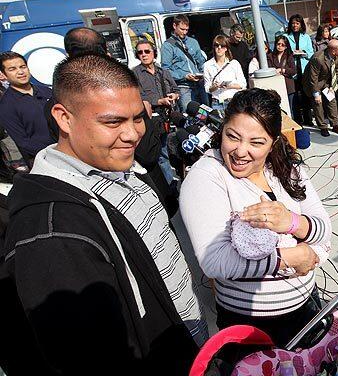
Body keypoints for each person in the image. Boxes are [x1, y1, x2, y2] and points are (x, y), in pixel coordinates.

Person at [1, 54, 208, 376]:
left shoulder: (126, 169)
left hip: (191, 349)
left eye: (138, 118)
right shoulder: (52, 231)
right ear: (64, 118)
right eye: (113, 122)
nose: (132, 135)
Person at [180, 88, 331, 346]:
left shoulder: (285, 168)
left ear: (273, 141)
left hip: (307, 307)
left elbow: (324, 228)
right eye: (233, 137)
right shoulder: (206, 176)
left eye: (256, 143)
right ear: (222, 130)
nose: (240, 151)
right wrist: (294, 256)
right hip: (252, 326)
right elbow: (216, 261)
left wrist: (292, 222)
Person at [132, 39, 180, 195]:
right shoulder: (135, 73)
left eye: (147, 51)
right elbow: (139, 95)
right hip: (149, 117)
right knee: (157, 153)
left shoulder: (162, 71)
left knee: (164, 150)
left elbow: (175, 88)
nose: (144, 55)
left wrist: (174, 95)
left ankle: (170, 184)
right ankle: (165, 186)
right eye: (140, 52)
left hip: (165, 117)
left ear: (154, 53)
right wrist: (159, 101)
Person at [0, 52, 52, 167]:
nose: (20, 72)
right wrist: (54, 153)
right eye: (12, 69)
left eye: (22, 67)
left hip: (70, 151)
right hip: (43, 161)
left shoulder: (47, 91)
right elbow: (23, 142)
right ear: (3, 75)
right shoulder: (6, 105)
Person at [161, 14, 208, 111]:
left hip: (199, 85)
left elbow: (200, 61)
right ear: (174, 26)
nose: (185, 32)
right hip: (184, 87)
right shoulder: (168, 46)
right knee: (188, 114)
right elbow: (166, 70)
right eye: (182, 29)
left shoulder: (193, 42)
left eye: (186, 30)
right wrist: (184, 76)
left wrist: (203, 74)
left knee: (205, 113)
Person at [303, 39, 338, 137]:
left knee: (332, 101)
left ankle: (335, 124)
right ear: (333, 51)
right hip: (313, 83)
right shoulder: (318, 58)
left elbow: (336, 70)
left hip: (326, 82)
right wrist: (316, 94)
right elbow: (313, 78)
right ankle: (322, 127)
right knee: (318, 103)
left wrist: (332, 86)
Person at [284, 14, 314, 125]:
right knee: (294, 96)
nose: (295, 25)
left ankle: (308, 119)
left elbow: (311, 54)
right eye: (293, 23)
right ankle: (297, 120)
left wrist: (304, 54)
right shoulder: (286, 37)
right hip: (292, 70)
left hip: (304, 69)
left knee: (306, 95)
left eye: (297, 23)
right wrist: (292, 54)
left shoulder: (306, 37)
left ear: (301, 24)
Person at [204, 35, 247, 112]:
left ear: (226, 48)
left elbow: (243, 84)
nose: (219, 48)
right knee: (219, 123)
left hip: (232, 100)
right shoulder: (207, 65)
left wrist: (229, 86)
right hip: (216, 102)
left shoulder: (234, 63)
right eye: (217, 45)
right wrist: (215, 87)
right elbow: (207, 88)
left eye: (222, 46)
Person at [267, 35, 297, 110]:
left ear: (286, 46)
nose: (280, 46)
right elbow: (269, 69)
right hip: (276, 86)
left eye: (282, 45)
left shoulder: (289, 56)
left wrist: (282, 70)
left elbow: (293, 71)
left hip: (288, 86)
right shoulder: (270, 56)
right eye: (278, 44)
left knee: (290, 109)